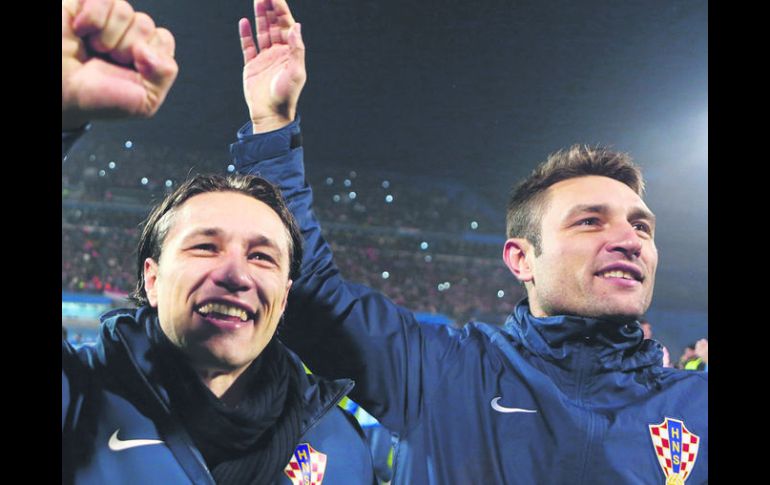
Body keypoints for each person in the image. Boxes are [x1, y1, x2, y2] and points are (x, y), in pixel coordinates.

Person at [229, 1, 707, 483]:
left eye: (641, 226)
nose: (629, 239)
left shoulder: (696, 405)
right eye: (590, 222)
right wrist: (272, 127)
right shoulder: (441, 371)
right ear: (522, 258)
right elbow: (306, 290)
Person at [61, 1, 375, 483]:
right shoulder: (78, 397)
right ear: (152, 278)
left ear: (286, 294)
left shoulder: (339, 443)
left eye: (262, 256)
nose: (235, 273)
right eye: (204, 247)